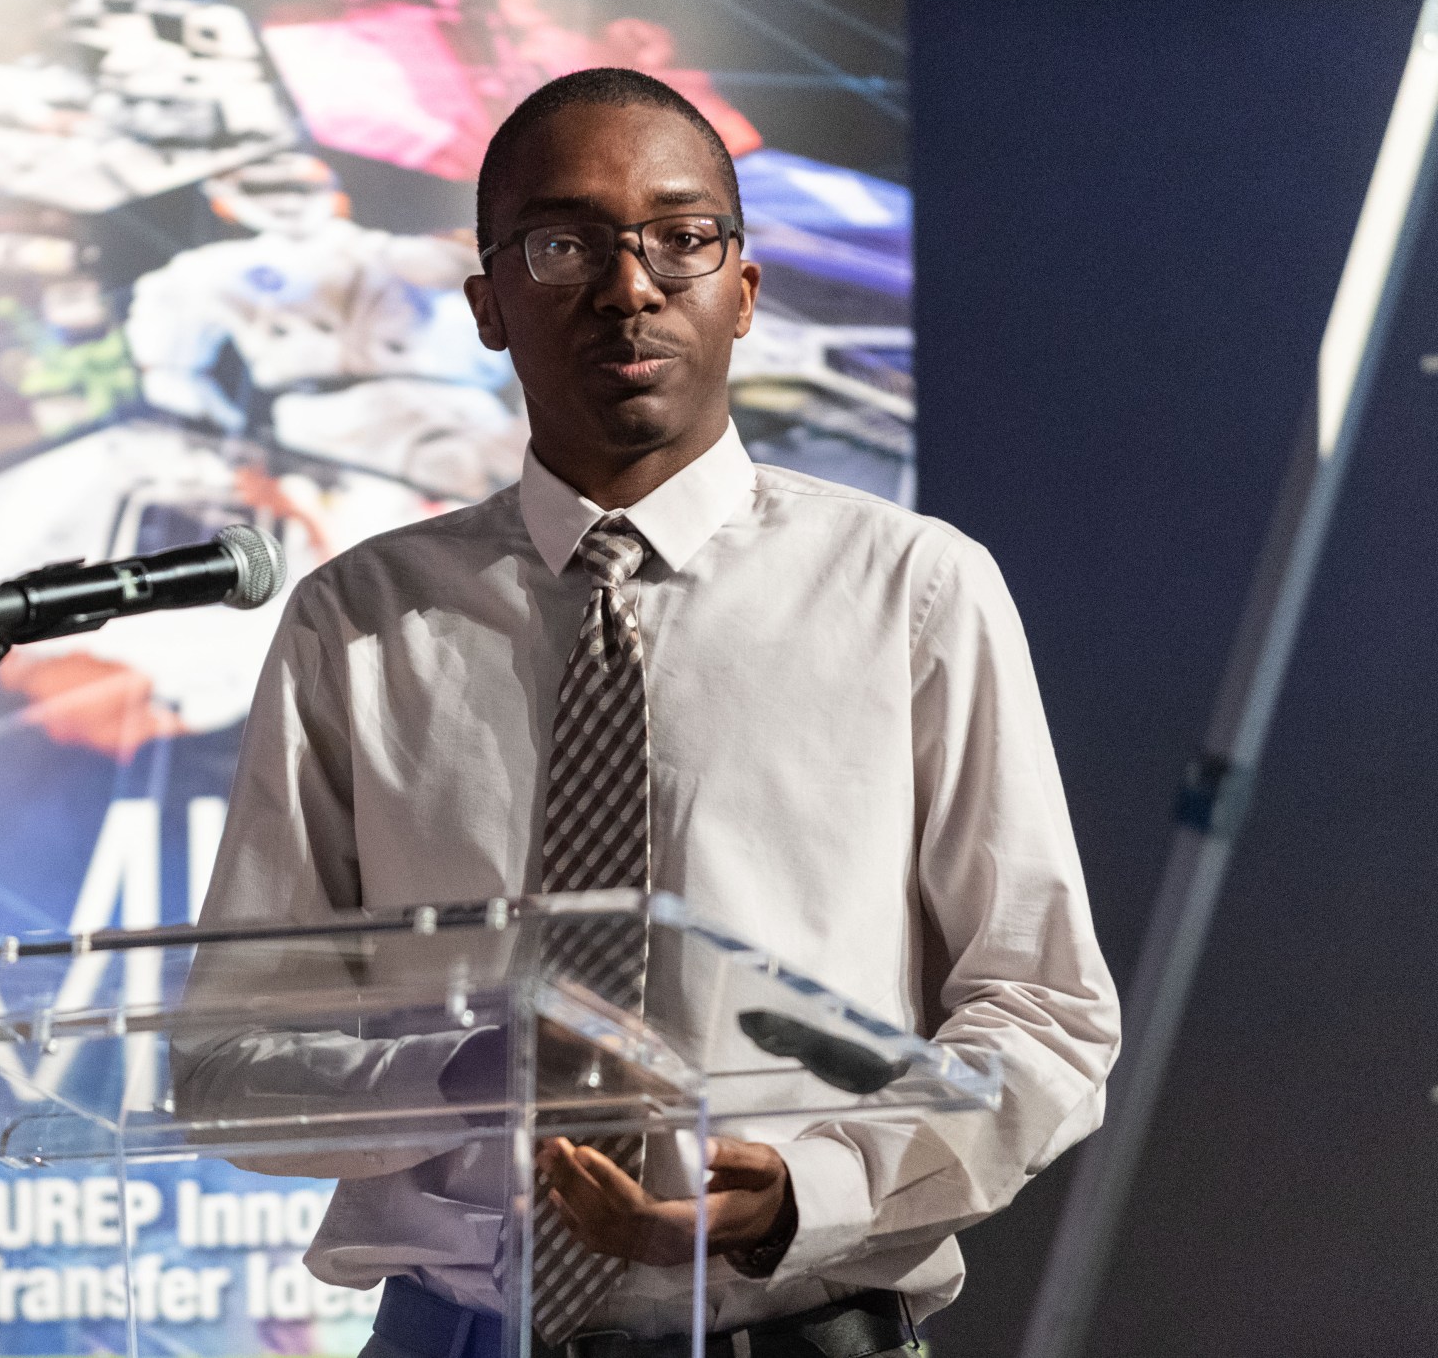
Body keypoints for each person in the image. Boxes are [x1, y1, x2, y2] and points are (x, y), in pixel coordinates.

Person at [191, 67, 1120, 1358]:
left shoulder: (911, 588)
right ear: (489, 303)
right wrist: (460, 1081)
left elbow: (1044, 1011)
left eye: (682, 238)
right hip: (459, 1330)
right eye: (565, 243)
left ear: (743, 290)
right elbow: (230, 1064)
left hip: (797, 1322)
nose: (630, 286)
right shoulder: (360, 621)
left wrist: (813, 1188)